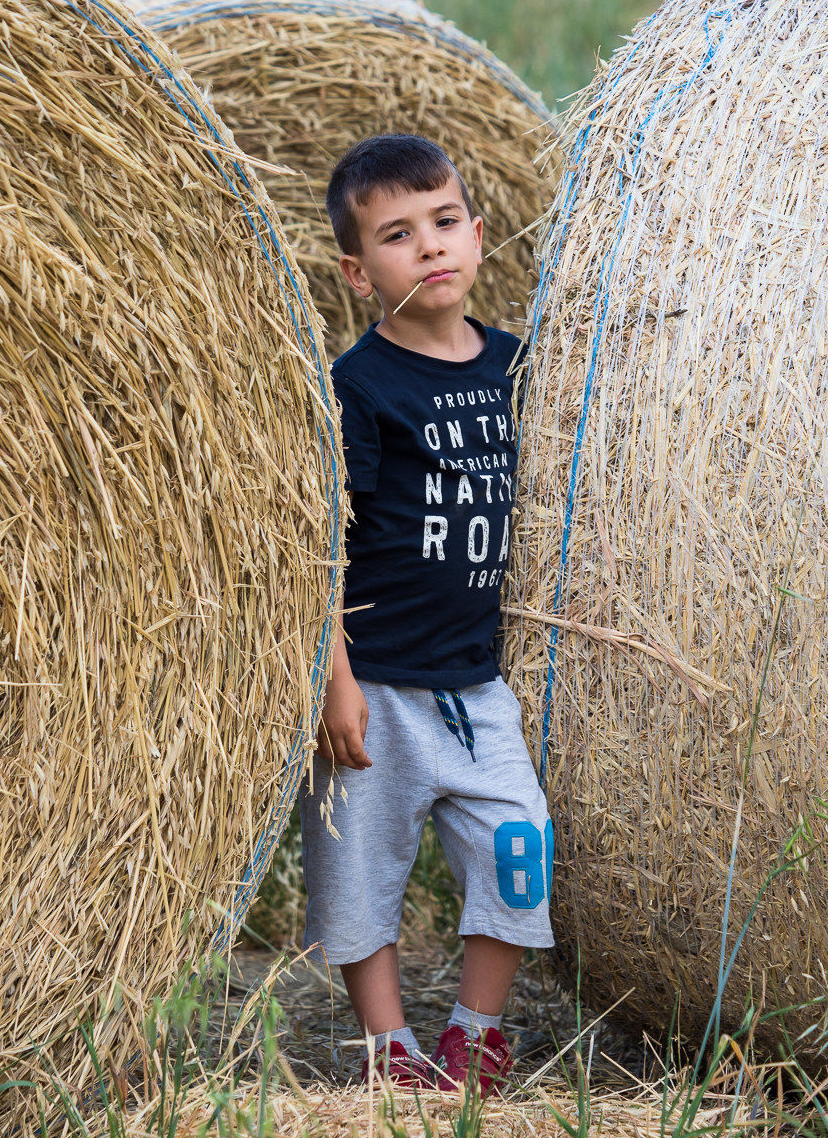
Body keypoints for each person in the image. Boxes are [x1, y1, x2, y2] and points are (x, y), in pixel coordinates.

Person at [299, 133, 554, 1097]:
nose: (432, 246)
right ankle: (388, 1047)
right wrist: (336, 681)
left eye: (445, 222)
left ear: (479, 233)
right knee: (359, 873)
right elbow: (323, 541)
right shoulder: (359, 389)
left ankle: (476, 1032)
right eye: (399, 236)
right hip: (379, 687)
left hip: (477, 685)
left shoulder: (517, 369)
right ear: (359, 274)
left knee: (518, 848)